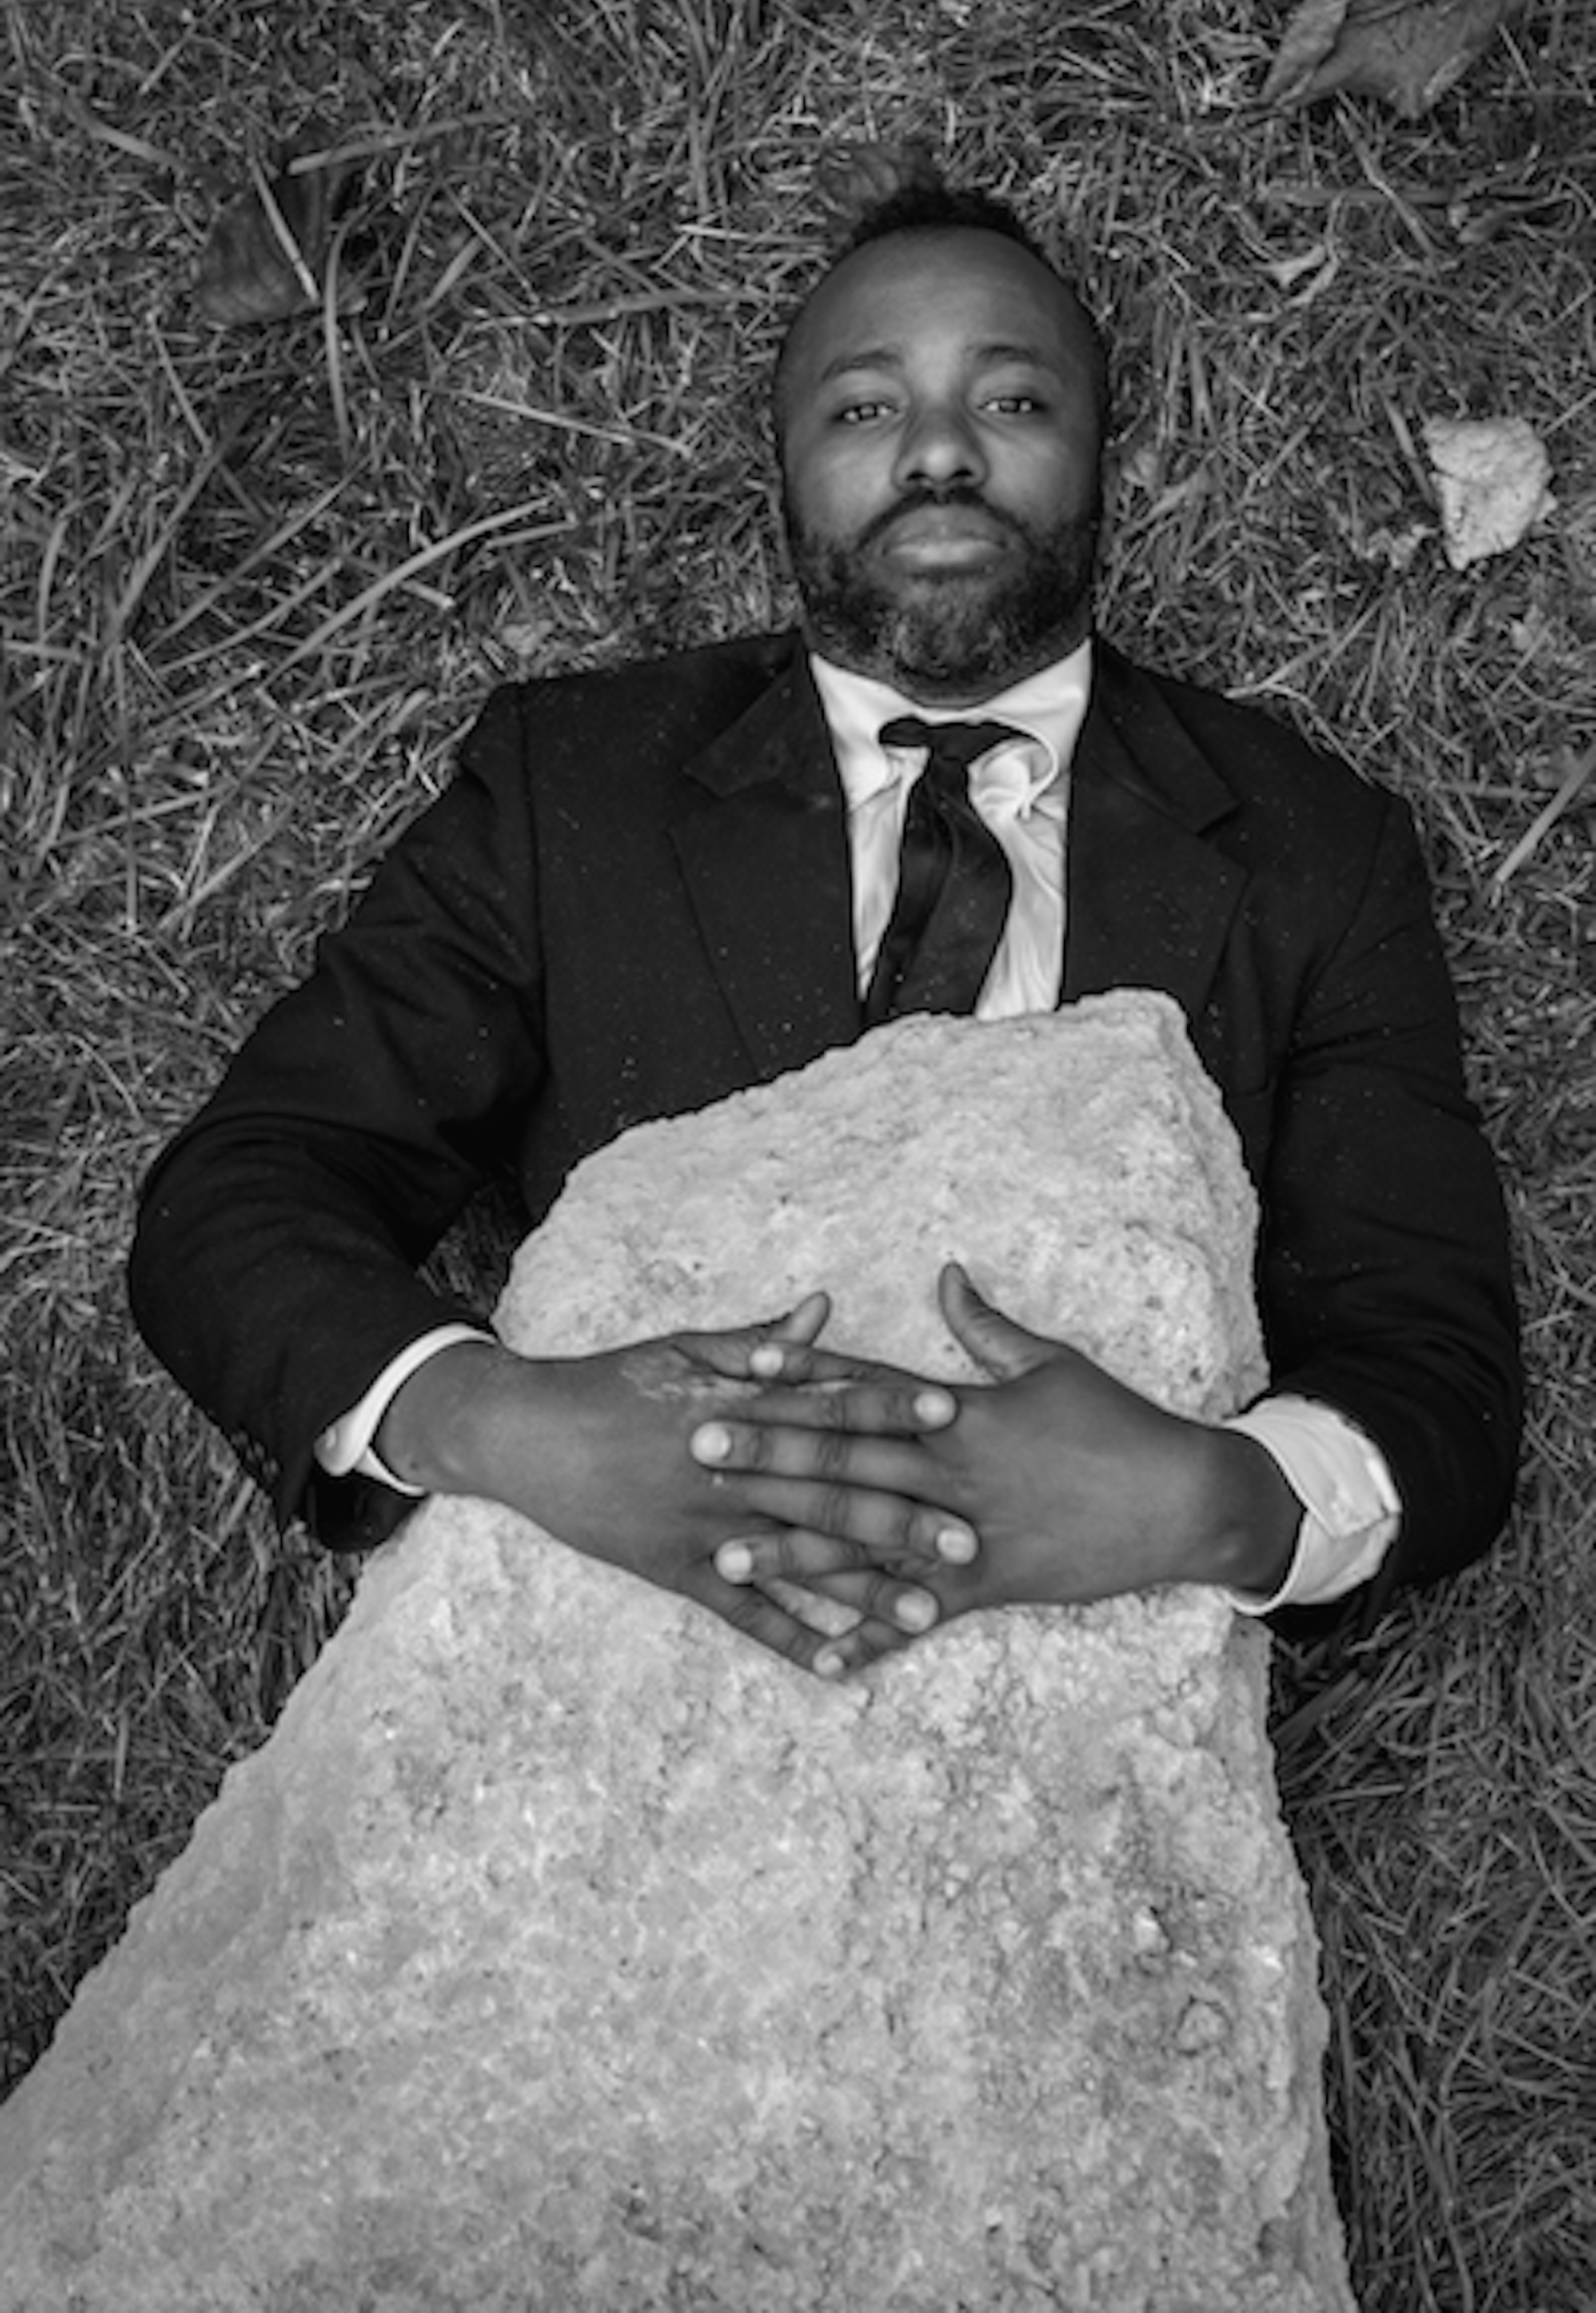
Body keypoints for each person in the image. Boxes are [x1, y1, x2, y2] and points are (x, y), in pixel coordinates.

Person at [128, 179, 1521, 1681]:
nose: (938, 451)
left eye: (1014, 397)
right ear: (784, 468)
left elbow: (1436, 1376)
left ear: (1096, 454)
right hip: (612, 1695)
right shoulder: (574, 788)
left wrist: (1215, 1500)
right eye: (865, 410)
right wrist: (501, 1420)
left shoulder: (1314, 850)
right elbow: (241, 1200)